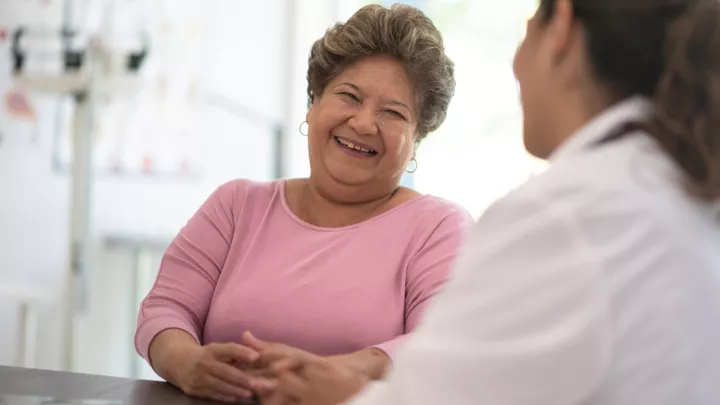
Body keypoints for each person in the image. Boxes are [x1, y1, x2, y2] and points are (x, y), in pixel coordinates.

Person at [246, 0, 720, 404]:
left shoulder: (569, 215)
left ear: (561, 30)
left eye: (528, 30)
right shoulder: (671, 190)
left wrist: (345, 392)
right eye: (348, 95)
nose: (516, 65)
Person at [134, 4, 472, 404]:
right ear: (313, 105)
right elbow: (165, 308)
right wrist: (186, 362)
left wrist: (342, 373)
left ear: (416, 140)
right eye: (349, 96)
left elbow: (442, 343)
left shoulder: (439, 227)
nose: (364, 123)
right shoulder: (236, 205)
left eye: (393, 113)